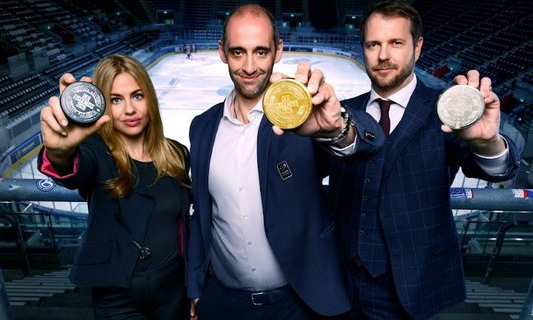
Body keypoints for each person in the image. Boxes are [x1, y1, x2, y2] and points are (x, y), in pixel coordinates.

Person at [312, 1, 520, 319]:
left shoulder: (447, 111)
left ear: (417, 47)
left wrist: (488, 142)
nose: (383, 55)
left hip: (410, 284)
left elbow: (495, 168)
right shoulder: (339, 112)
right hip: (337, 281)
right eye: (373, 44)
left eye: (396, 43)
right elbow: (305, 173)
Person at [186, 4, 384, 320]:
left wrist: (338, 128)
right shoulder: (202, 127)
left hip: (299, 303)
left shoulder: (303, 117)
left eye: (260, 52)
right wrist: (195, 285)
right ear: (222, 52)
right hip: (223, 303)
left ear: (278, 50)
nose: (249, 66)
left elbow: (369, 141)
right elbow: (202, 214)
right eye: (238, 52)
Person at [37, 54, 191, 319]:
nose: (129, 109)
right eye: (115, 100)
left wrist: (193, 285)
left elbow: (184, 226)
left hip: (174, 287)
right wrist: (59, 152)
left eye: (138, 96)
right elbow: (70, 168)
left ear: (150, 99)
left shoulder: (177, 154)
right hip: (117, 295)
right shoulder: (95, 153)